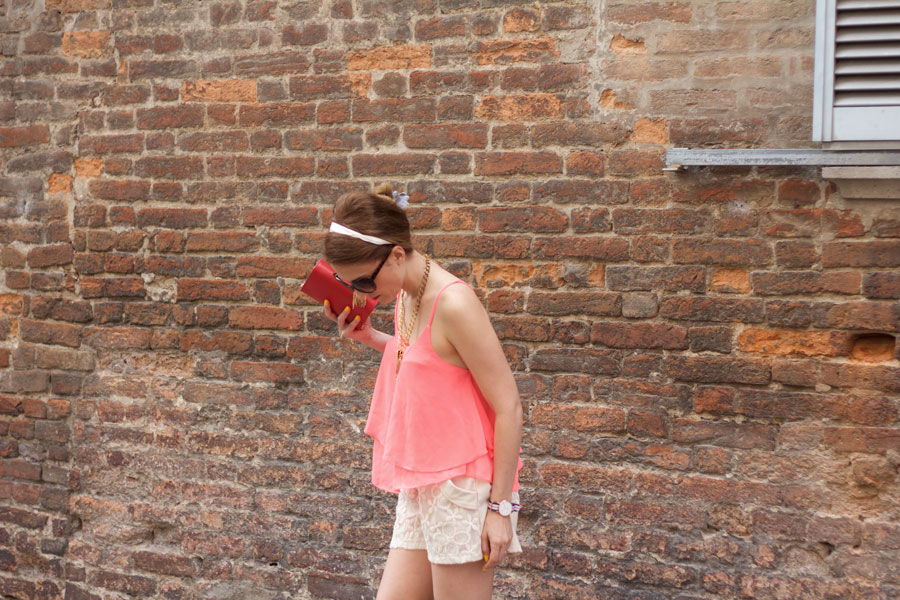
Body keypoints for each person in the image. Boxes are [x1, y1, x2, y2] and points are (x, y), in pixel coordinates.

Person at [322, 183, 524, 600]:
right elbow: (428, 359)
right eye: (349, 283)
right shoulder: (404, 294)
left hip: (464, 487)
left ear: (397, 254)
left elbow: (509, 407)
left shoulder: (455, 304)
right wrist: (371, 337)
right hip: (424, 482)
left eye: (363, 281)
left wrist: (500, 510)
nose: (362, 292)